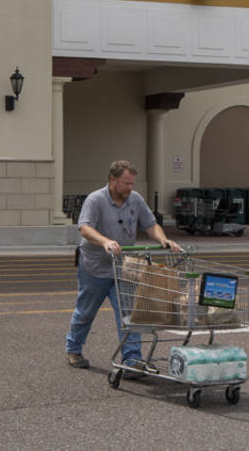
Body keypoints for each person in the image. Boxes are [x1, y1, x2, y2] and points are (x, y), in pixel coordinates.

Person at [64, 159, 181, 376]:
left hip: (123, 268)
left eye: (132, 184)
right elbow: (85, 228)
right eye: (126, 184)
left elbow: (150, 224)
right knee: (85, 311)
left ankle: (132, 358)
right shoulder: (96, 200)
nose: (130, 188)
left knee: (129, 313)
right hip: (95, 268)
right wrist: (106, 241)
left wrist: (163, 240)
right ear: (113, 180)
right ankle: (73, 348)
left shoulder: (135, 200)